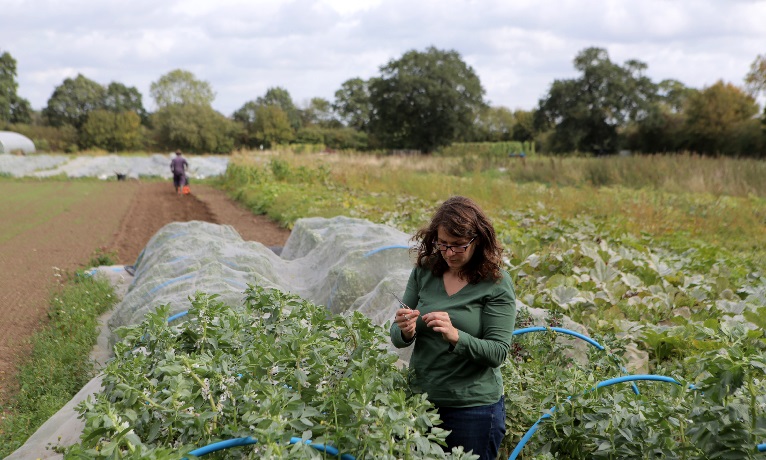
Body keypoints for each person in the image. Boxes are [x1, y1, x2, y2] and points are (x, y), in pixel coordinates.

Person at [390, 196, 517, 460]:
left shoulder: (495, 282)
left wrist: (456, 336)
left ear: (477, 241)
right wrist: (405, 329)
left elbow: (497, 353)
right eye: (443, 244)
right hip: (421, 402)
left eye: (458, 246)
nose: (449, 253)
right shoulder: (425, 271)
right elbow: (397, 334)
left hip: (473, 410)